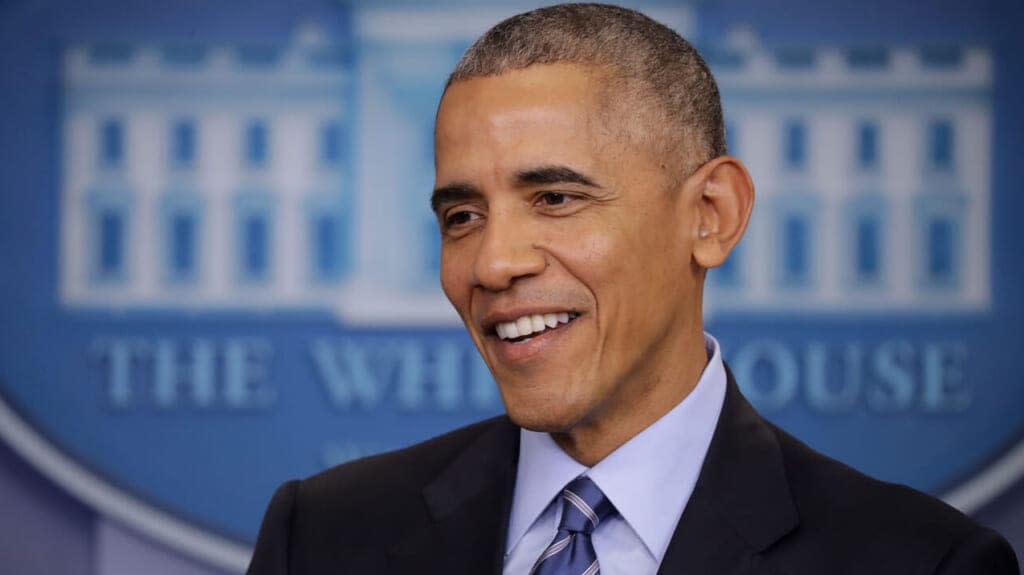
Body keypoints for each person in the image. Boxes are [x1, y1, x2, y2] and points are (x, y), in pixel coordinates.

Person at [247, 4, 1020, 574]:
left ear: (711, 217)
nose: (491, 263)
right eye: (462, 214)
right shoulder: (319, 537)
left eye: (555, 198)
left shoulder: (924, 565)